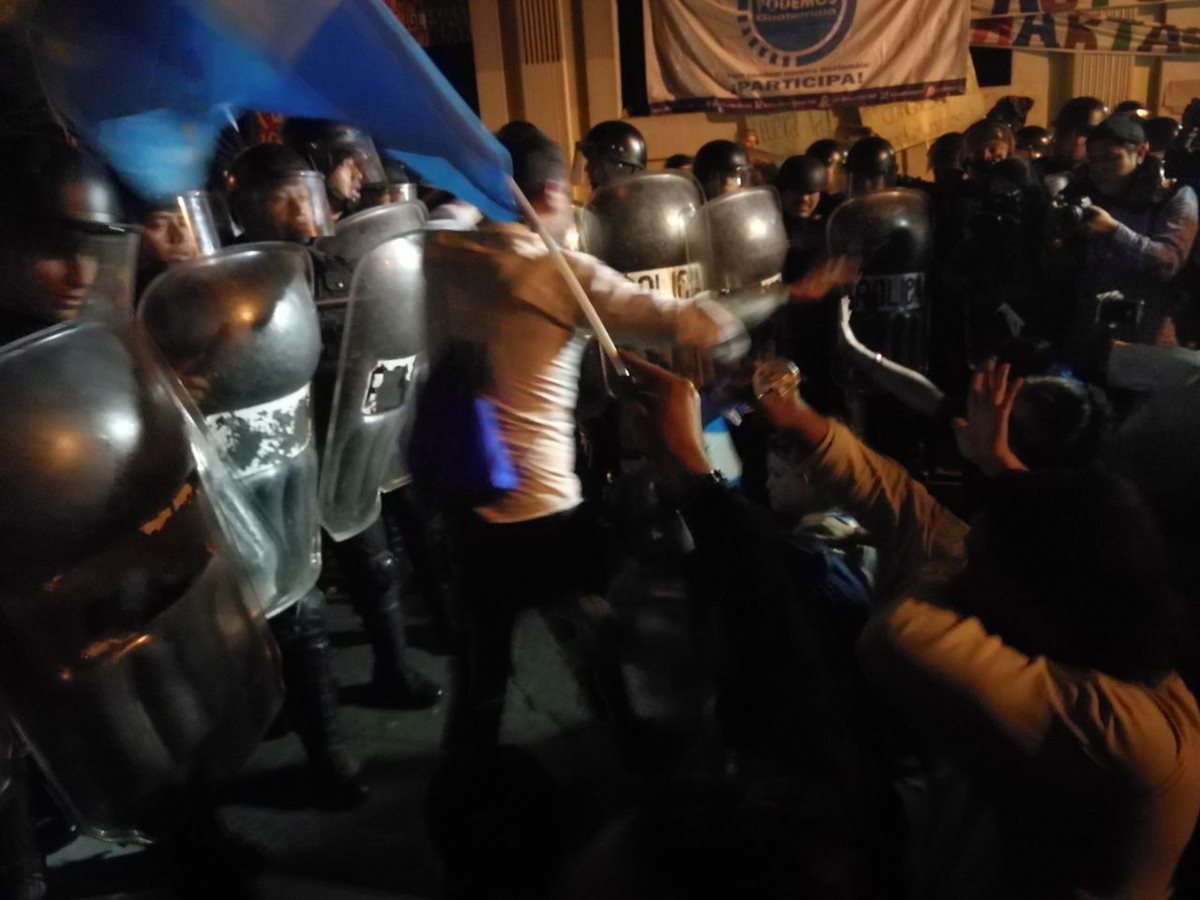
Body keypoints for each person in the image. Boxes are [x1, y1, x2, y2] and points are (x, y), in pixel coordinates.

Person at [744, 360, 1200, 899]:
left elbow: (900, 633)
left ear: (1047, 600)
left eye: (976, 564)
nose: (963, 567)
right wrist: (794, 415)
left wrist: (960, 539)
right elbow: (904, 503)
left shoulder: (1133, 734)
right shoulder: (1091, 634)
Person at [423, 121, 745, 753]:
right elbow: (687, 325)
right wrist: (746, 305)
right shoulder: (563, 275)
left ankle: (467, 785)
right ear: (546, 193)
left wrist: (485, 188)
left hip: (468, 503)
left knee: (482, 662)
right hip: (543, 506)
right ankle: (627, 742)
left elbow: (447, 218)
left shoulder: (446, 256)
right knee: (592, 636)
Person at [1055, 115, 1198, 348]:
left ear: (1141, 153)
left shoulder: (1174, 197)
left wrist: (1113, 231)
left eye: (1111, 158)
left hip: (1147, 338)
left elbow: (1168, 262)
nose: (1101, 168)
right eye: (1094, 160)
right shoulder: (1085, 193)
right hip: (1088, 334)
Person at [577, 120, 646, 192]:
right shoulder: (605, 201)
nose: (586, 168)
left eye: (593, 162)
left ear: (618, 167)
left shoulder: (641, 202)